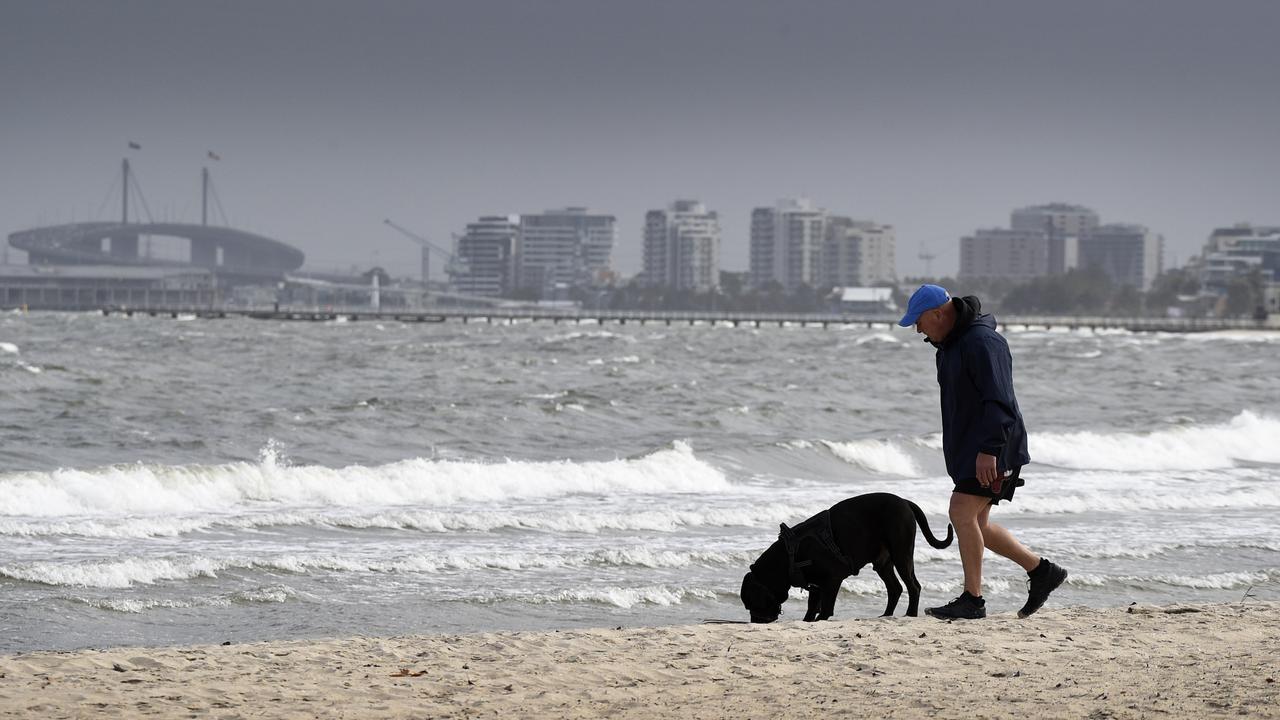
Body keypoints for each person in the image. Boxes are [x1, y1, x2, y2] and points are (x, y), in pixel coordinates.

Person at [898, 284, 1067, 619]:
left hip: (996, 448)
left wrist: (989, 450)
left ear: (938, 314)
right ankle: (1041, 571)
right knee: (978, 524)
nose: (917, 329)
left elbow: (1000, 401)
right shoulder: (948, 347)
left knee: (961, 512)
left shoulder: (983, 343)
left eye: (919, 321)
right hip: (975, 450)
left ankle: (972, 600)